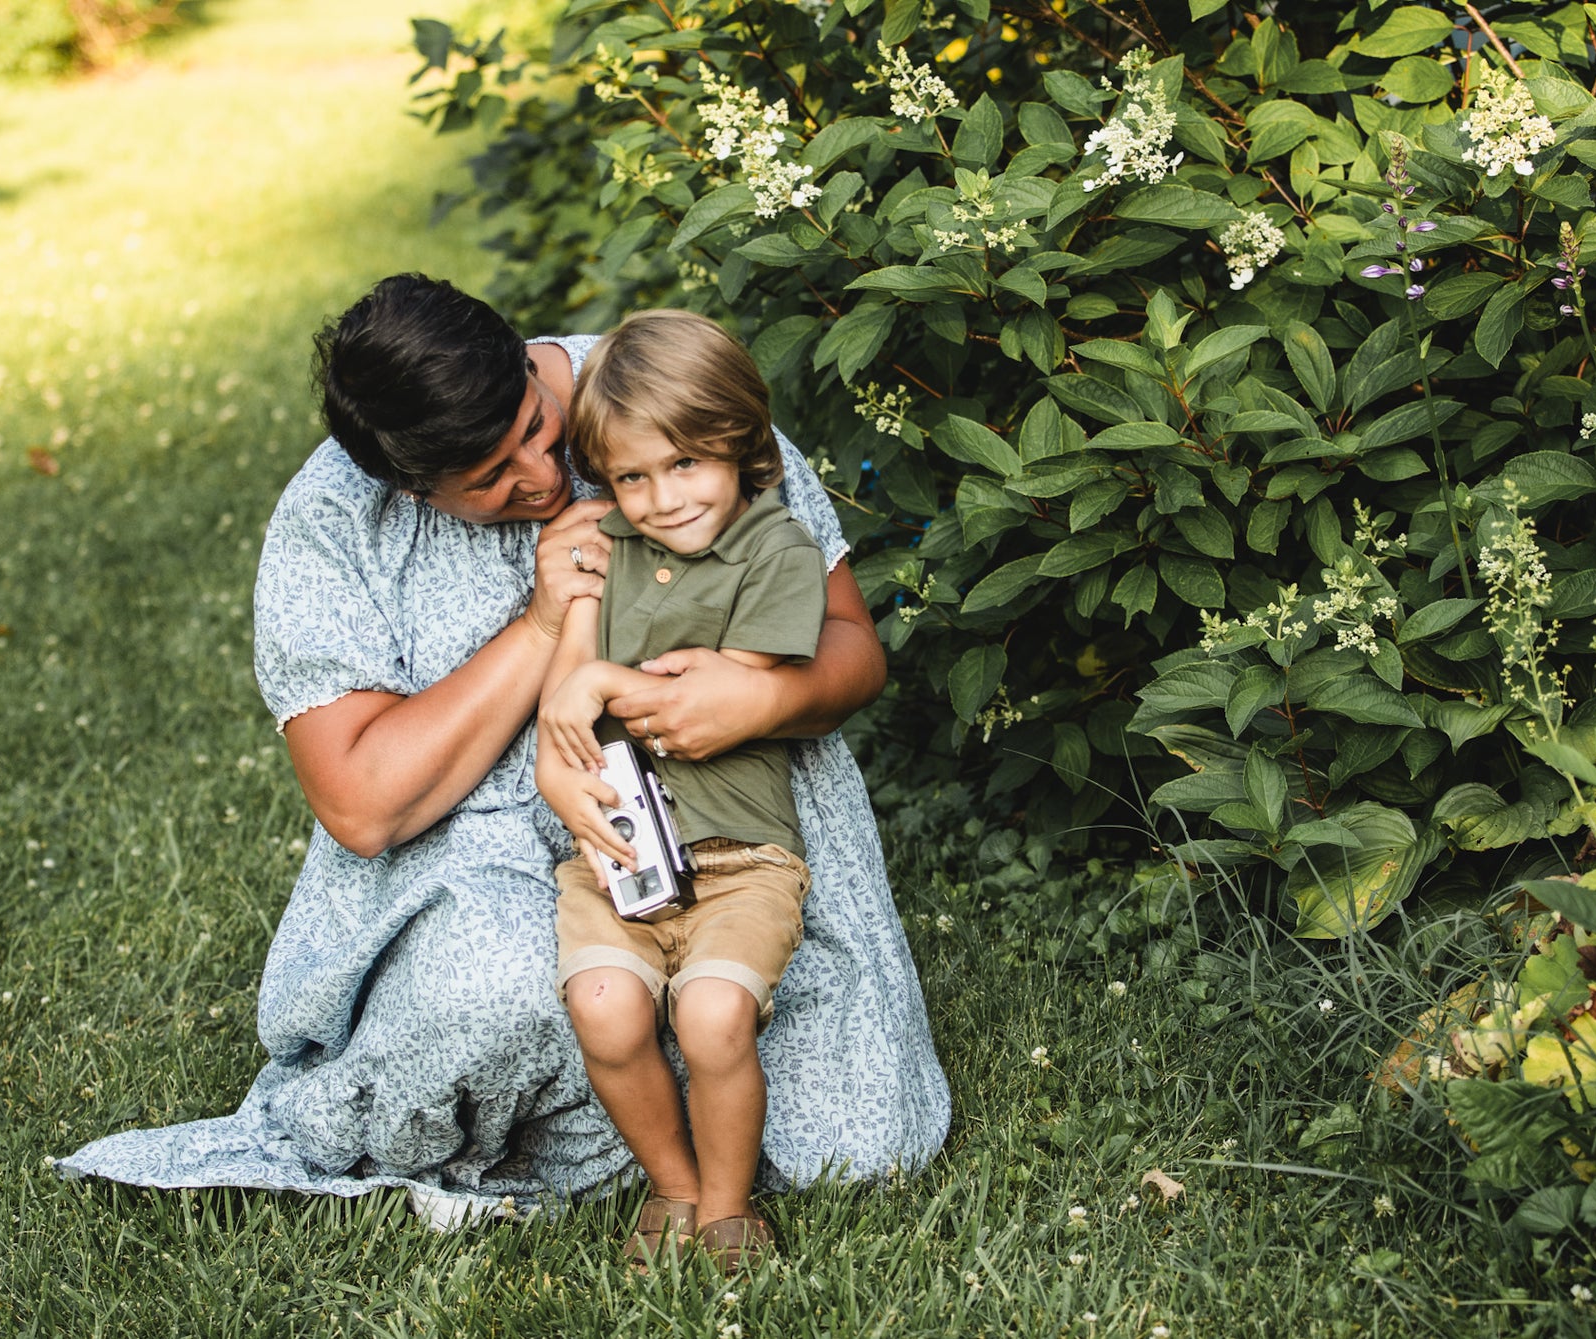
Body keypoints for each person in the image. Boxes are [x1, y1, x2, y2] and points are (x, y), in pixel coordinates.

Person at [54, 274, 949, 1229]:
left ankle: (689, 1084)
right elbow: (361, 803)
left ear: (526, 359)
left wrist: (767, 696)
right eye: (488, 478)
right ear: (411, 490)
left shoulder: (664, 398)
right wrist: (540, 625)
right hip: (483, 871)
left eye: (535, 426)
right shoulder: (333, 522)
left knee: (861, 1146)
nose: (543, 475)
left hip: (738, 822)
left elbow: (854, 649)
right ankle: (644, 1119)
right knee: (501, 997)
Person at [537, 310, 828, 1267]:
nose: (662, 499)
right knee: (604, 1008)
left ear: (740, 441)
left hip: (743, 859)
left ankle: (728, 1208)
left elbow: (704, 690)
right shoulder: (607, 547)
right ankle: (674, 1185)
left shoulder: (776, 550)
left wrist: (601, 682)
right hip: (620, 853)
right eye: (632, 477)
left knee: (711, 1016)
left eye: (687, 463)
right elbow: (566, 699)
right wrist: (577, 676)